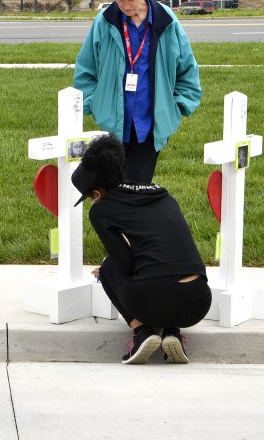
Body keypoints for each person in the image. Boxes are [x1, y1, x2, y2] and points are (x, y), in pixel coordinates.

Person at [72, 134, 211, 364]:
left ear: (96, 193)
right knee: (164, 271)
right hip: (198, 301)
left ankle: (141, 333)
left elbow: (125, 264)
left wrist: (109, 269)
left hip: (152, 299)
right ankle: (171, 332)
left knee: (109, 268)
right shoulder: (163, 195)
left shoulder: (101, 210)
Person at [73, 0, 202, 184]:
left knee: (137, 187)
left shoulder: (166, 21)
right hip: (114, 121)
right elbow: (86, 68)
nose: (125, 6)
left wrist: (178, 105)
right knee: (112, 188)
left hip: (150, 123)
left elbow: (187, 68)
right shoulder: (104, 22)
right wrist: (93, 103)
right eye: (119, 0)